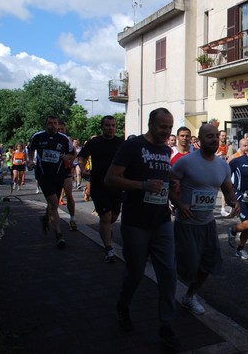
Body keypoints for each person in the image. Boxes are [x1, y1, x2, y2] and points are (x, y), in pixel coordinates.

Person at [104, 108, 180, 348]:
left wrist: (172, 179)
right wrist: (143, 185)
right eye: (162, 127)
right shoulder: (132, 146)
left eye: (170, 127)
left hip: (161, 220)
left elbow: (159, 175)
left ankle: (166, 326)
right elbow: (111, 179)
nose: (167, 132)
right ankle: (123, 305)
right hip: (136, 222)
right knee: (135, 273)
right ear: (151, 124)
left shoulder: (166, 150)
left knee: (168, 273)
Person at [170, 123, 239, 316]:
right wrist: (178, 203)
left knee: (208, 264)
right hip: (186, 223)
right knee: (188, 267)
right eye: (210, 136)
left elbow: (227, 188)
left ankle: (189, 297)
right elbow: (168, 183)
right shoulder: (186, 162)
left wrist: (234, 202)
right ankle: (167, 289)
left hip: (208, 223)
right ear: (199, 140)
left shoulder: (222, 165)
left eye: (216, 136)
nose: (215, 139)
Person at [78, 115, 124, 262]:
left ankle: (104, 229)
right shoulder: (94, 142)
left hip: (116, 185)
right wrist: (83, 168)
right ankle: (108, 249)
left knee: (114, 217)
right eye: (107, 125)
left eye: (113, 125)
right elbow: (82, 157)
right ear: (102, 127)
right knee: (105, 217)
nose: (110, 128)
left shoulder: (121, 143)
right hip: (99, 184)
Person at [28, 116, 74, 248]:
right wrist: (31, 160)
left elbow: (72, 154)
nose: (52, 126)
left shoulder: (64, 139)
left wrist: (67, 157)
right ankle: (59, 236)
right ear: (46, 124)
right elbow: (31, 149)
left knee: (52, 203)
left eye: (55, 123)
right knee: (54, 202)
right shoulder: (38, 136)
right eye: (50, 123)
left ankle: (46, 218)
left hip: (58, 175)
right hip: (43, 174)